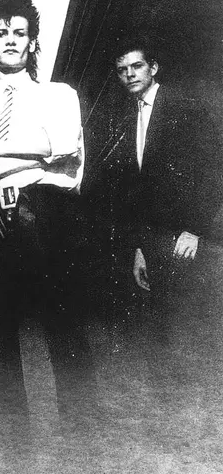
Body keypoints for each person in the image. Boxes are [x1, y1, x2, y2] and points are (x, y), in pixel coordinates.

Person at [0, 0, 95, 418]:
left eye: (19, 32)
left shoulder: (58, 95)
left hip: (43, 210)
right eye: (0, 33)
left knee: (63, 322)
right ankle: (10, 433)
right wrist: (33, 155)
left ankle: (83, 431)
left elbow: (61, 147)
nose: (10, 39)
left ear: (32, 42)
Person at [112, 36, 222, 391]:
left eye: (137, 66)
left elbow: (212, 171)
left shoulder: (184, 106)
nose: (130, 74)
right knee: (160, 330)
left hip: (188, 238)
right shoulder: (127, 116)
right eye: (122, 70)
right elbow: (137, 191)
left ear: (154, 68)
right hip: (152, 240)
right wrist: (139, 249)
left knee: (192, 332)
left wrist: (196, 229)